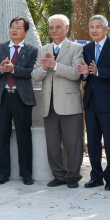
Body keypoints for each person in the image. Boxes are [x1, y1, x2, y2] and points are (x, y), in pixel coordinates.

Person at [31, 14, 85, 188]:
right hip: (49, 104)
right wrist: (45, 68)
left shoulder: (76, 48)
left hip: (69, 103)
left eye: (58, 27)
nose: (54, 30)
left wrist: (55, 66)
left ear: (67, 28)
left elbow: (76, 74)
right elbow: (34, 75)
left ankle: (73, 176)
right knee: (53, 143)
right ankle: (58, 175)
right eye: (52, 27)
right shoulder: (42, 49)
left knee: (73, 142)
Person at [76, 14, 110, 191]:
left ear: (106, 29)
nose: (94, 30)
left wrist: (98, 71)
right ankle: (96, 176)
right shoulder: (87, 48)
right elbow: (85, 72)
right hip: (90, 101)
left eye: (98, 27)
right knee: (93, 142)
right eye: (92, 27)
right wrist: (84, 73)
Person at [0, 17, 39, 185]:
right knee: (2, 136)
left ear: (26, 32)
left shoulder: (32, 50)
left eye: (19, 27)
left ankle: (27, 174)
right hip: (2, 97)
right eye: (12, 27)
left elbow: (31, 72)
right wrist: (2, 70)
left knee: (24, 136)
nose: (14, 30)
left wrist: (13, 69)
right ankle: (3, 174)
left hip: (21, 97)